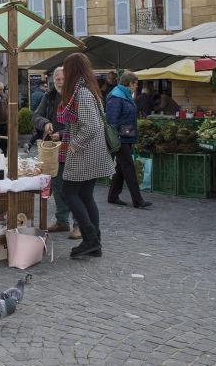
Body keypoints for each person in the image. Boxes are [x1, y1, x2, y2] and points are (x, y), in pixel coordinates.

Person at [57, 53, 116, 259]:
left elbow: (91, 126)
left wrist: (74, 145)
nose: (63, 73)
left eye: (65, 69)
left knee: (68, 193)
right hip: (93, 152)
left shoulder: (81, 92)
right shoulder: (88, 89)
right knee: (85, 196)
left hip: (86, 154)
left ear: (72, 70)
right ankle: (95, 244)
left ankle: (91, 239)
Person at [34, 67, 78, 238]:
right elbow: (35, 116)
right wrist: (45, 123)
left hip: (74, 148)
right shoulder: (49, 96)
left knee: (74, 189)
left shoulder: (76, 96)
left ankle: (79, 224)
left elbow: (81, 123)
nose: (60, 81)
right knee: (57, 185)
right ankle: (62, 221)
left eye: (62, 78)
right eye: (57, 79)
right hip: (54, 150)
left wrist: (63, 133)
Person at [106, 71, 153, 209]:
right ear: (130, 83)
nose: (136, 87)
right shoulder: (116, 96)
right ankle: (138, 200)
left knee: (121, 168)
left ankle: (112, 196)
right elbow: (112, 120)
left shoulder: (125, 95)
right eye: (135, 84)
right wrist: (116, 138)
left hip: (126, 136)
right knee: (129, 167)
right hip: (120, 139)